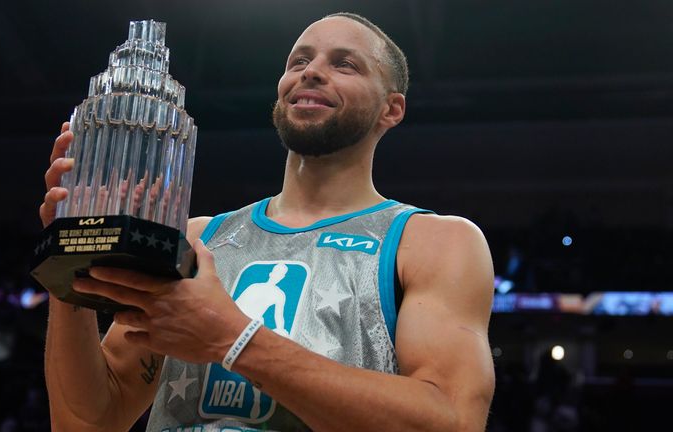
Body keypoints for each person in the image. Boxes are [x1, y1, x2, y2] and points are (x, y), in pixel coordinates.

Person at [41, 12, 495, 432]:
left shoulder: (434, 242)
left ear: (390, 109)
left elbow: (453, 420)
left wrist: (232, 340)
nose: (311, 71)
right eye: (299, 60)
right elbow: (86, 422)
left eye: (345, 65)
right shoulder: (198, 239)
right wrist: (70, 259)